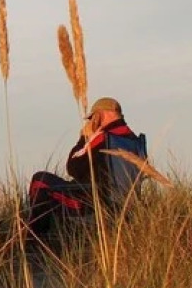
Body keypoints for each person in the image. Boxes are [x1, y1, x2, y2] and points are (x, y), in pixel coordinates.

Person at [27, 97, 148, 246]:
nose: (90, 122)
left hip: (93, 204)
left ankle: (34, 243)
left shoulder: (102, 137)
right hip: (126, 208)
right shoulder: (135, 142)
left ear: (99, 115)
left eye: (92, 118)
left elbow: (73, 167)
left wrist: (84, 138)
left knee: (40, 181)